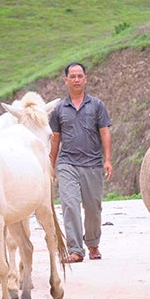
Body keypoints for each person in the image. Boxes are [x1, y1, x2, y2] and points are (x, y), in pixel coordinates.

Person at [49, 62, 113, 263]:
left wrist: (108, 160)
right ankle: (75, 249)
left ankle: (93, 244)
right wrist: (51, 164)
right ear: (66, 80)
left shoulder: (96, 105)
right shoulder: (59, 109)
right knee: (69, 204)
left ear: (85, 79)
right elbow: (55, 138)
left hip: (93, 163)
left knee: (93, 208)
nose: (76, 79)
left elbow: (105, 132)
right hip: (67, 163)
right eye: (72, 76)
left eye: (80, 76)